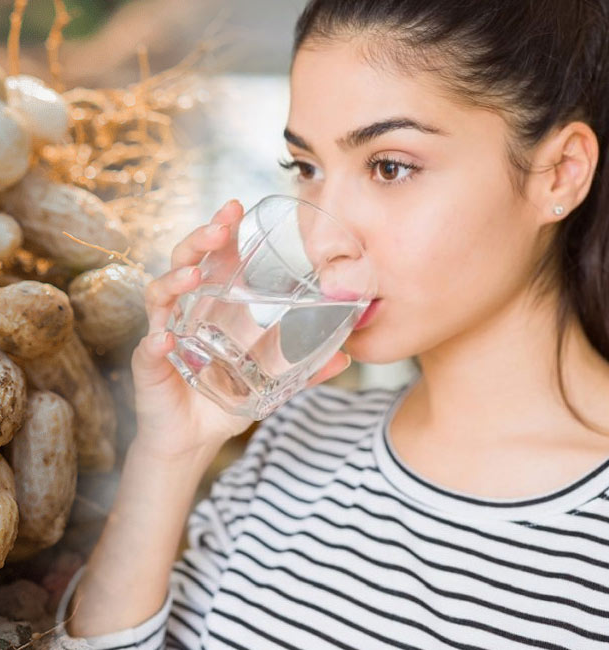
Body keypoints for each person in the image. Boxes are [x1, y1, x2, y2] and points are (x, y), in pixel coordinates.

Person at [51, 0, 609, 647]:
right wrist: (170, 455)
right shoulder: (295, 441)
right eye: (307, 169)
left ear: (558, 173)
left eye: (390, 166)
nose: (320, 238)